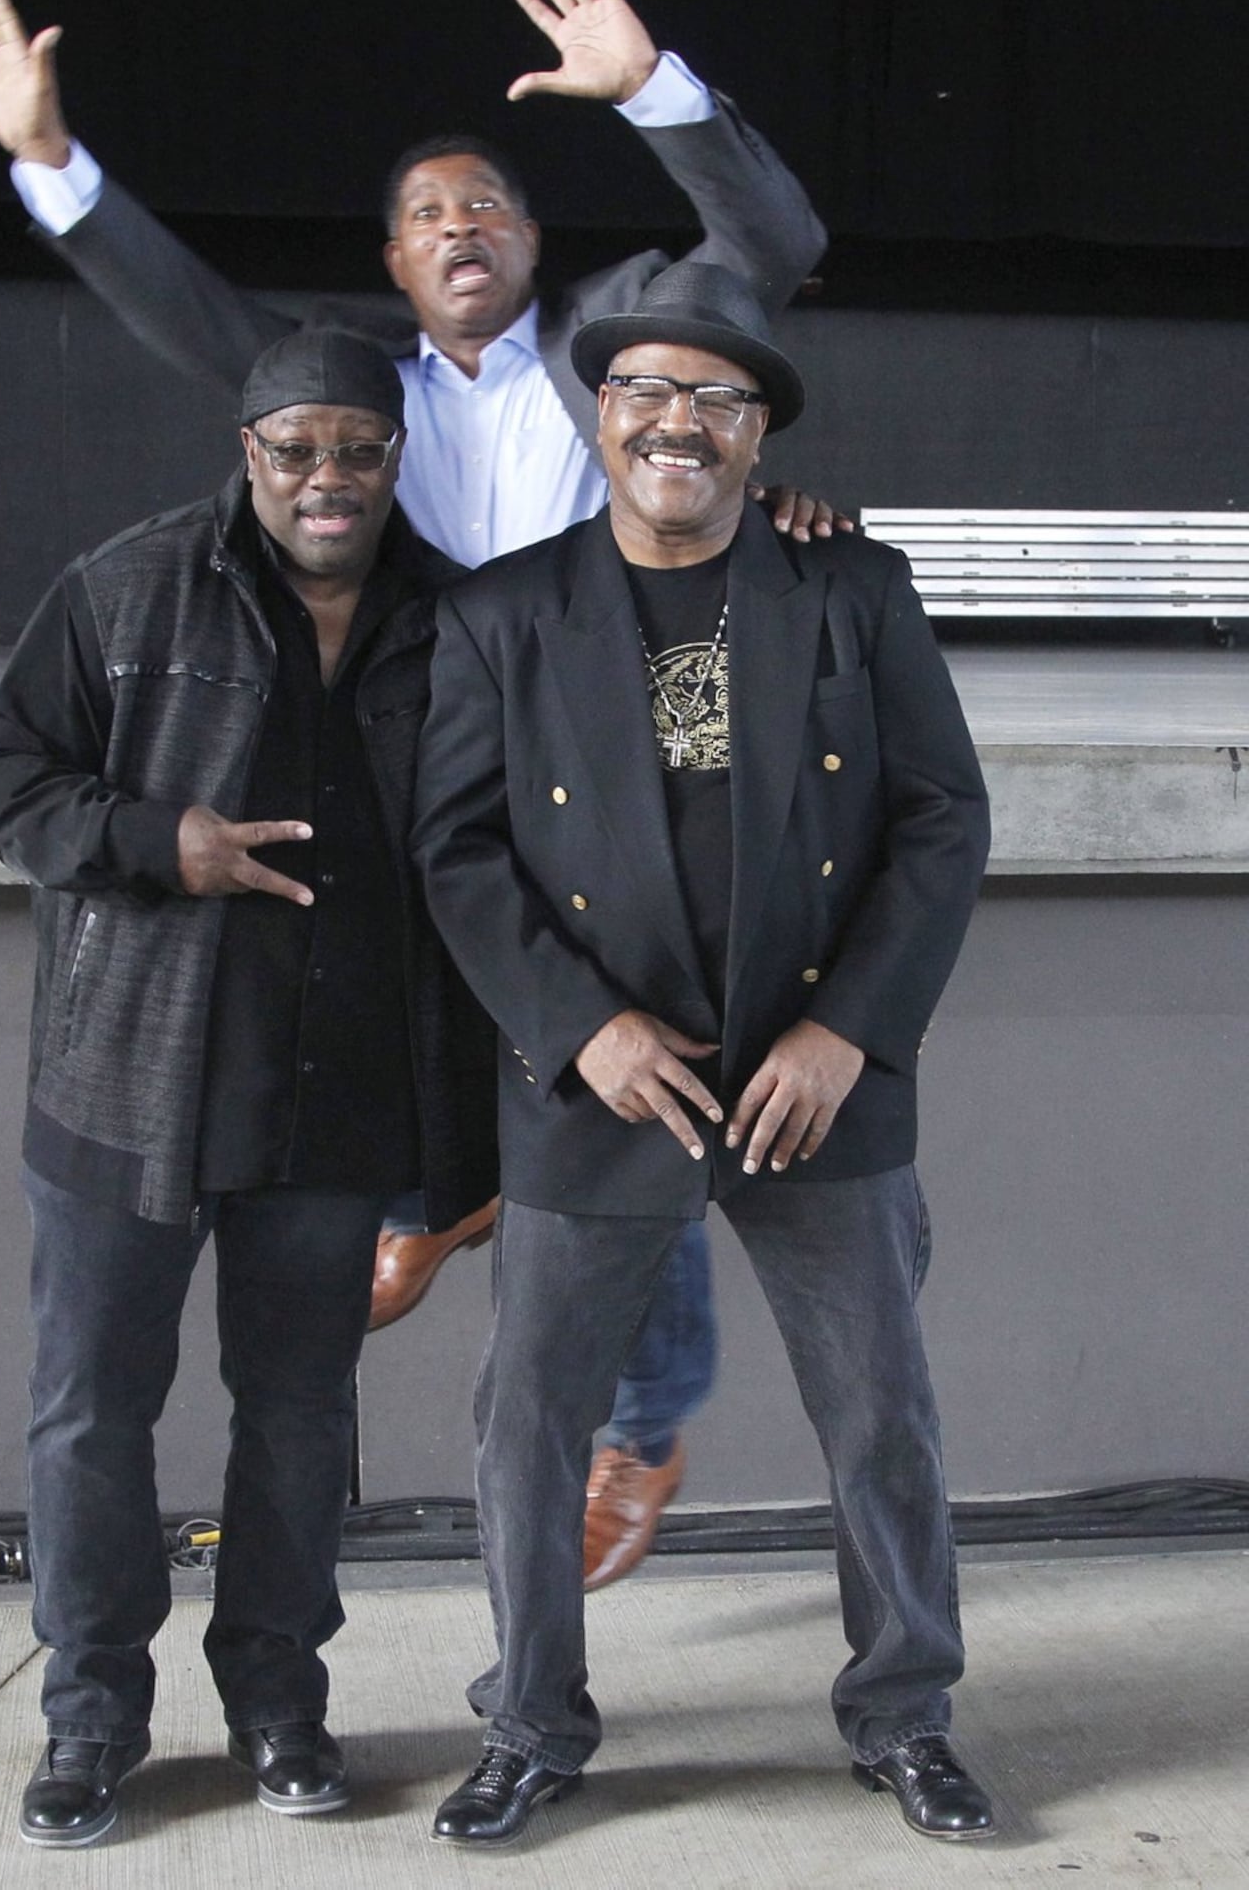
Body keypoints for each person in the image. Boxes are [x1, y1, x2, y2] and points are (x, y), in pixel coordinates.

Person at [0, 0, 838, 1585]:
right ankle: (430, 1203)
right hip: (419, 772)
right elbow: (185, 311)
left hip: (613, 778)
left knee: (643, 1091)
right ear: (393, 265)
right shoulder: (351, 400)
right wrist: (43, 157)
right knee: (391, 1026)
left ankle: (641, 1418)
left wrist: (651, 84)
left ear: (532, 240)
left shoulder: (618, 349)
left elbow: (774, 244)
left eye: (488, 204)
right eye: (428, 215)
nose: (460, 228)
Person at [412, 261, 995, 1847]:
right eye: (650, 394)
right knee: (529, 1424)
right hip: (608, 1085)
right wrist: (575, 1027)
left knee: (881, 1414)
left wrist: (848, 1031)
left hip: (813, 1085)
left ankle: (904, 1715)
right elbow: (458, 853)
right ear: (601, 416)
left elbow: (944, 819)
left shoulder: (852, 591)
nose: (681, 423)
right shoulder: (502, 614)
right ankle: (533, 1723)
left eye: (719, 401)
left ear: (757, 437)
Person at [0, 328, 498, 1848]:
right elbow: (0, 773)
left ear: (400, 457)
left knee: (302, 1418)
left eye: (359, 451)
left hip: (333, 1099)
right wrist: (158, 841)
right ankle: (91, 1719)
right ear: (248, 451)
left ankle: (277, 1700)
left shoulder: (454, 617)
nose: (328, 480)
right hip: (128, 1079)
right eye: (294, 450)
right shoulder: (130, 587)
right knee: (89, 1415)